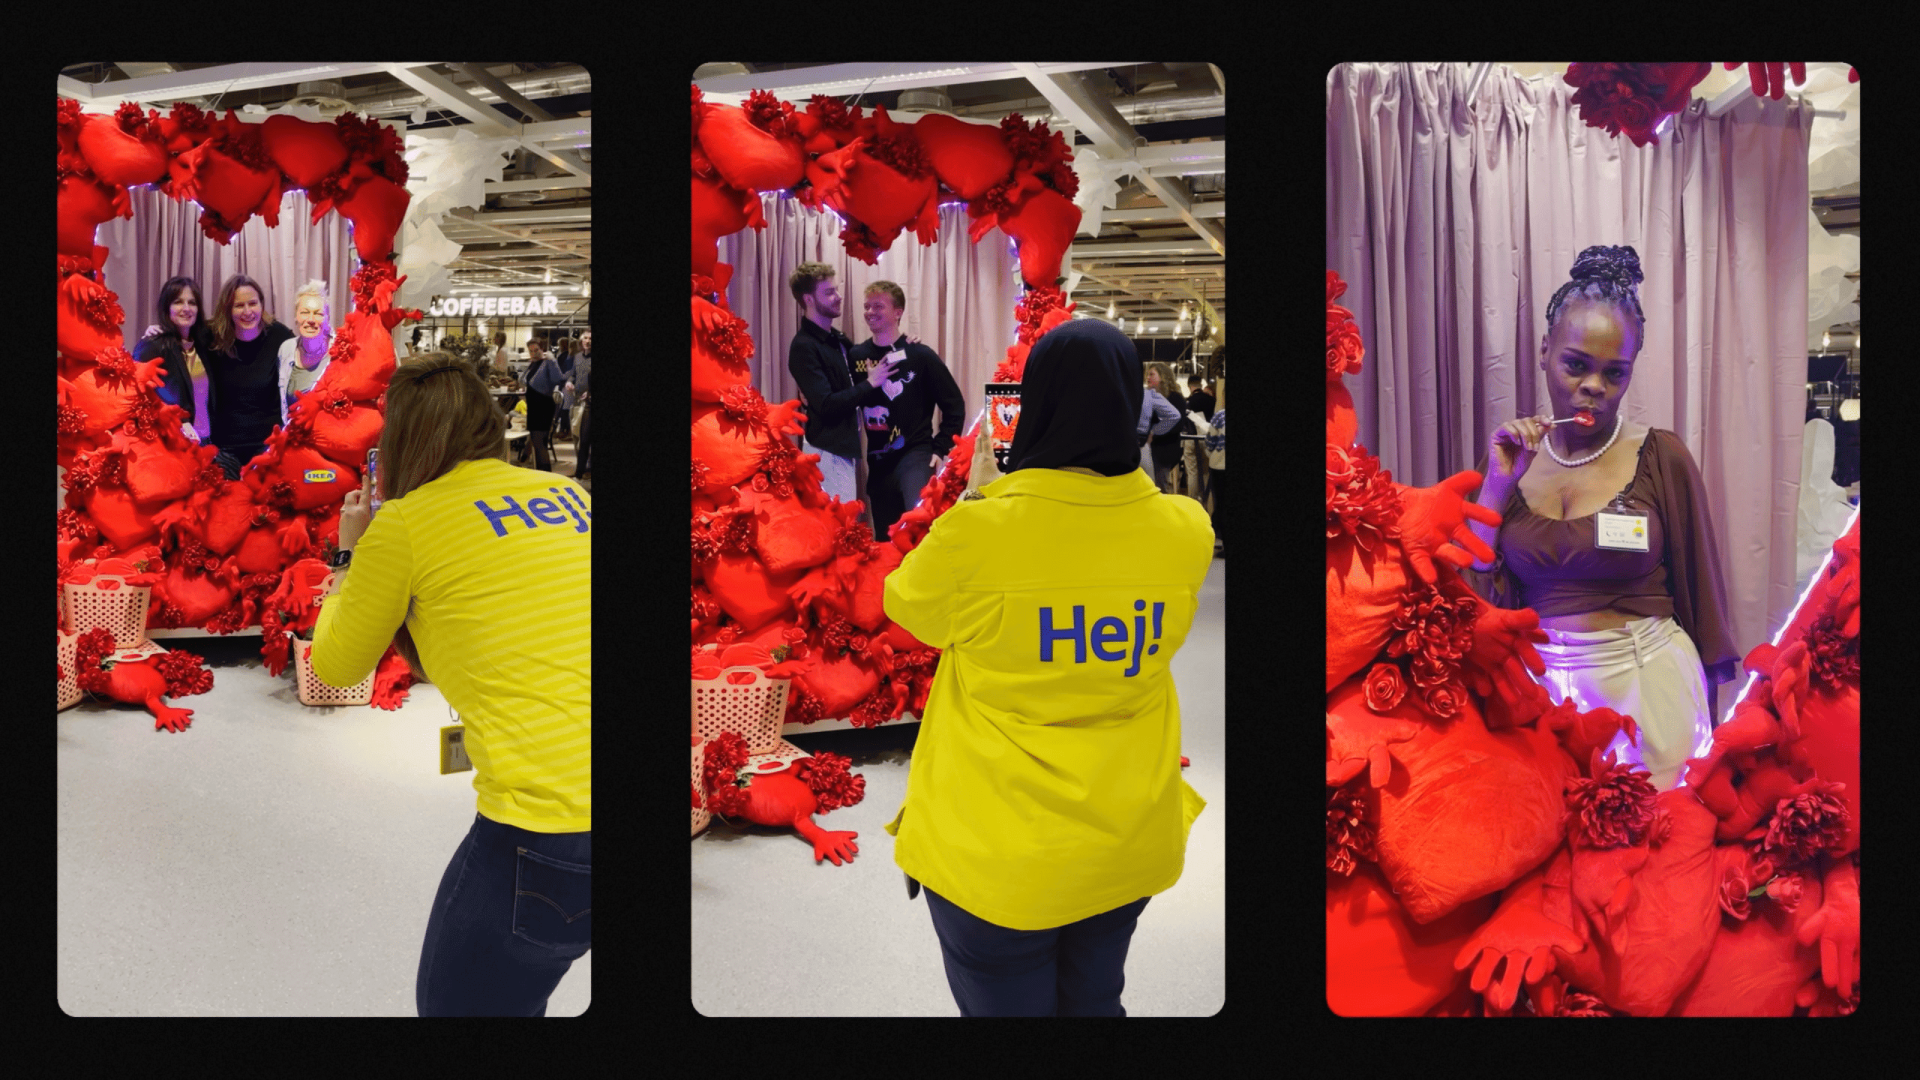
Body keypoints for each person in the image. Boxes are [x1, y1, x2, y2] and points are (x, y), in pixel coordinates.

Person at [881, 318, 1212, 1017]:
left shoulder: (981, 531)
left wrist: (978, 498)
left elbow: (909, 608)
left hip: (997, 851)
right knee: (1096, 1001)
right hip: (1126, 836)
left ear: (1034, 403)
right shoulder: (1184, 529)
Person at [310, 351, 589, 1016]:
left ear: (401, 440)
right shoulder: (571, 496)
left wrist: (348, 551)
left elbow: (335, 666)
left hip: (546, 826)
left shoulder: (405, 523)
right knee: (522, 989)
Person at [1459, 245, 1739, 791]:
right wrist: (1495, 486)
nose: (1594, 387)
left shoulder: (1660, 456)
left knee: (1646, 861)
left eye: (1615, 373)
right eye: (1576, 364)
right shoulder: (1509, 461)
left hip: (1646, 687)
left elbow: (1701, 589)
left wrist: (1712, 707)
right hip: (1540, 696)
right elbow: (1472, 578)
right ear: (1544, 352)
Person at [847, 281, 964, 541]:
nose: (870, 312)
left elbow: (954, 404)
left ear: (898, 312)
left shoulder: (919, 355)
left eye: (878, 305)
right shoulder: (856, 355)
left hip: (915, 456)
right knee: (887, 542)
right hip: (877, 464)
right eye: (866, 306)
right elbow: (844, 400)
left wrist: (940, 447)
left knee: (919, 531)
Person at [786, 262, 896, 518]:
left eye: (836, 290)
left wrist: (904, 344)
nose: (838, 297)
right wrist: (869, 384)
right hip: (826, 450)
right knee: (837, 527)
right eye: (829, 292)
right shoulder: (803, 346)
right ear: (809, 299)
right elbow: (826, 405)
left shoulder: (836, 338)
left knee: (843, 527)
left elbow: (864, 363)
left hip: (841, 447)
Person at [202, 275, 295, 480]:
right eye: (238, 306)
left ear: (262, 304)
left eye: (253, 303)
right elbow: (180, 336)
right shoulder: (212, 337)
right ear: (228, 310)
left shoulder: (279, 336)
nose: (247, 312)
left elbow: (306, 357)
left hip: (268, 445)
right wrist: (156, 334)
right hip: (225, 448)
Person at [135, 276, 214, 445]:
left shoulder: (204, 343)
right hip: (172, 443)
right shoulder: (153, 346)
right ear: (167, 307)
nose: (186, 308)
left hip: (206, 441)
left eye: (192, 303)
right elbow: (137, 398)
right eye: (178, 302)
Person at [277, 280, 334, 426]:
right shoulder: (286, 349)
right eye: (304, 312)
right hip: (295, 438)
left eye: (318, 313)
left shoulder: (339, 351)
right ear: (296, 317)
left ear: (327, 319)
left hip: (327, 437)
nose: (310, 320)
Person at [1145, 362, 1189, 493]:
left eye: (1152, 374)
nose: (1148, 377)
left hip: (1163, 451)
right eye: (1147, 374)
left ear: (1163, 377)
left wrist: (1153, 432)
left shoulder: (1175, 398)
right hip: (1149, 449)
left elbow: (1176, 424)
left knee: (1159, 487)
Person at [522, 336, 564, 471]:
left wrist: (552, 360)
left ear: (542, 349)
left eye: (536, 350)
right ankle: (542, 472)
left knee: (539, 444)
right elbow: (526, 381)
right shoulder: (534, 363)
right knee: (538, 443)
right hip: (534, 408)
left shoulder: (548, 362)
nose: (534, 353)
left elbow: (558, 379)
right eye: (531, 351)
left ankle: (546, 474)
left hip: (543, 408)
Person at [1137, 377, 1179, 476]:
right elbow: (1174, 415)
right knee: (1148, 487)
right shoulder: (1147, 394)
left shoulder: (1110, 392)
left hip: (1114, 448)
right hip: (1140, 446)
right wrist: (1153, 431)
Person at [568, 329, 590, 480]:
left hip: (588, 403)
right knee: (578, 437)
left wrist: (589, 392)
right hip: (577, 401)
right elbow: (573, 374)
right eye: (586, 338)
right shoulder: (577, 357)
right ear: (582, 341)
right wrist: (569, 382)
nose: (588, 341)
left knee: (585, 438)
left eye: (590, 338)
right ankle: (582, 471)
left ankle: (580, 473)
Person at [552, 336, 576, 440]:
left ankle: (565, 431)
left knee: (565, 409)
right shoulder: (571, 356)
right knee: (565, 409)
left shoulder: (568, 357)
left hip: (568, 386)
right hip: (568, 385)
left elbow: (566, 372)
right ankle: (565, 431)